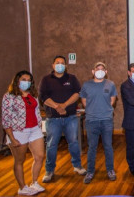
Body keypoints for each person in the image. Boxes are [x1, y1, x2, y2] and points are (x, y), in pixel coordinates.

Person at [39, 55, 86, 183]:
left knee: (74, 142)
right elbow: (43, 96)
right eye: (57, 62)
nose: (60, 65)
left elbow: (77, 93)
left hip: (70, 117)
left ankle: (77, 166)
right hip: (53, 118)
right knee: (51, 144)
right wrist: (56, 107)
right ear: (53, 65)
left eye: (62, 63)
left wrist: (64, 105)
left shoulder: (72, 78)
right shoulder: (46, 79)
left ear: (66, 66)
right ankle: (49, 170)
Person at [2, 70, 45, 195]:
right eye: (23, 80)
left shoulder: (33, 95)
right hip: (18, 131)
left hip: (34, 129)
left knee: (39, 156)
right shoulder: (9, 97)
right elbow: (6, 119)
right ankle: (22, 187)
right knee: (20, 160)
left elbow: (36, 111)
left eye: (28, 80)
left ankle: (34, 182)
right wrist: (11, 137)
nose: (26, 82)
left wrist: (39, 124)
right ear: (17, 81)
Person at [80, 62, 118, 183]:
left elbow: (112, 101)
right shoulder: (86, 85)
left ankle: (110, 170)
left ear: (106, 72)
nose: (100, 71)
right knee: (92, 147)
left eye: (102, 69)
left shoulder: (110, 84)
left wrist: (103, 110)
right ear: (93, 71)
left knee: (108, 146)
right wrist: (94, 110)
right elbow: (84, 102)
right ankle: (90, 171)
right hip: (91, 121)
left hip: (107, 120)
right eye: (98, 69)